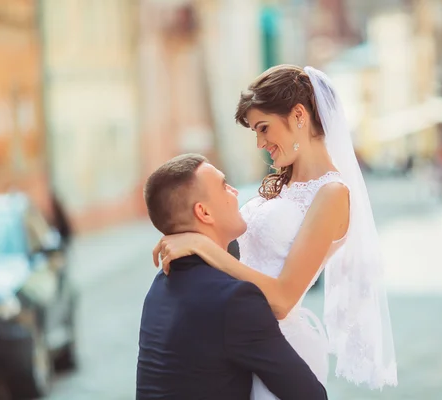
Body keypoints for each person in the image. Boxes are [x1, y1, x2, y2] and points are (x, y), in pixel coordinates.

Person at [154, 65, 397, 399]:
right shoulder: (279, 186)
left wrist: (202, 247)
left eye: (263, 128)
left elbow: (283, 299)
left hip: (279, 349)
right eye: (256, 131)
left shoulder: (333, 194)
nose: (259, 142)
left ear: (298, 115)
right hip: (239, 344)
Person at [137, 154, 328, 400]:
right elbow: (309, 395)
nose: (235, 192)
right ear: (203, 212)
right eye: (223, 186)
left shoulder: (160, 286)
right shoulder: (235, 299)